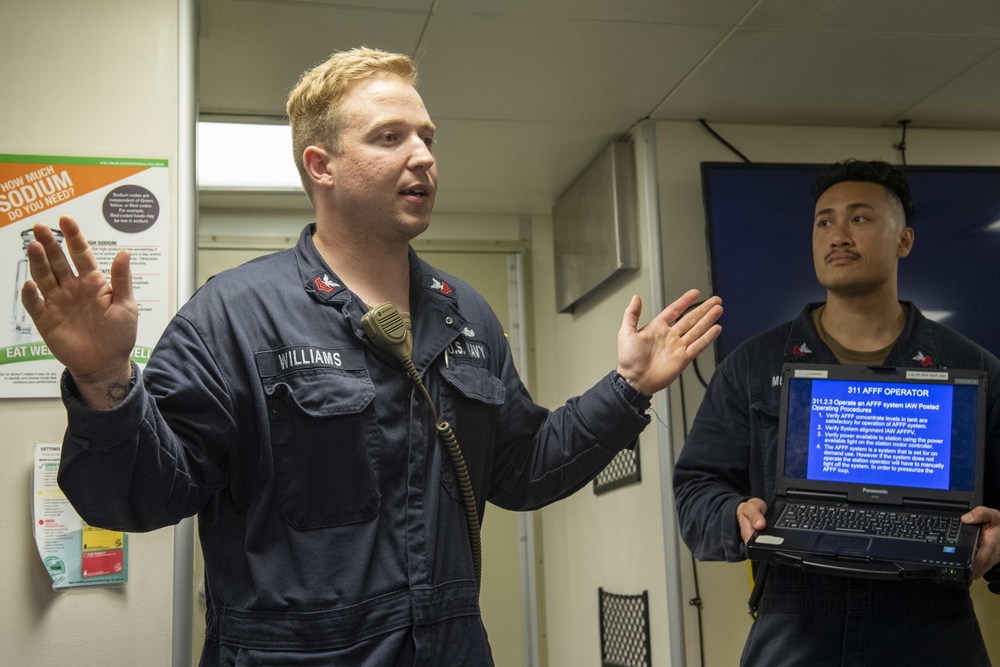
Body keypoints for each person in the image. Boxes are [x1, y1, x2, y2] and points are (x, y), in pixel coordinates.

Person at [21, 47, 723, 665]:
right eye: (390, 137)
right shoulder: (234, 313)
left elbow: (521, 469)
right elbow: (139, 497)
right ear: (321, 165)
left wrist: (629, 385)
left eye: (427, 136)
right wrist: (103, 376)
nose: (423, 155)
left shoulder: (466, 312)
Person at [674, 158, 1000, 666]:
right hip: (795, 625)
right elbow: (696, 487)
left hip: (932, 629)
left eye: (860, 218)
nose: (837, 235)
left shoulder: (972, 366)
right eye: (824, 221)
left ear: (904, 241)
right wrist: (732, 514)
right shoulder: (756, 366)